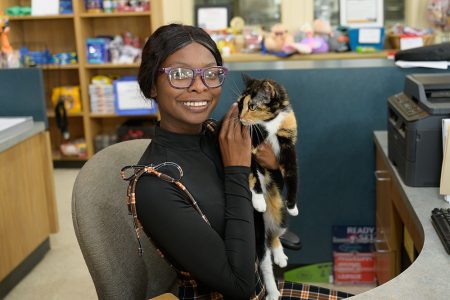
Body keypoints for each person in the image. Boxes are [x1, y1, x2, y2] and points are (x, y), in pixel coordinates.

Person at [135, 23, 353, 299]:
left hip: (266, 287)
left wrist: (271, 168)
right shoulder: (155, 185)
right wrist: (237, 171)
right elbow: (240, 286)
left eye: (211, 74)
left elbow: (266, 203)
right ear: (152, 84)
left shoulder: (221, 134)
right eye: (180, 74)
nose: (199, 87)